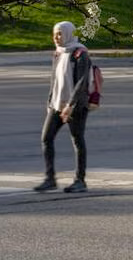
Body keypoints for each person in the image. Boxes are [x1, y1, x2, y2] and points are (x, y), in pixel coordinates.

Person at [36, 21, 92, 194]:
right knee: (46, 138)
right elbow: (55, 81)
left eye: (59, 33)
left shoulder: (79, 53)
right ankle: (50, 178)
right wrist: (50, 102)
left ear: (68, 33)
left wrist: (71, 105)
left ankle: (80, 180)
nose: (56, 37)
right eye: (54, 33)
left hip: (75, 105)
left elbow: (82, 82)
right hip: (57, 104)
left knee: (77, 140)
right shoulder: (58, 53)